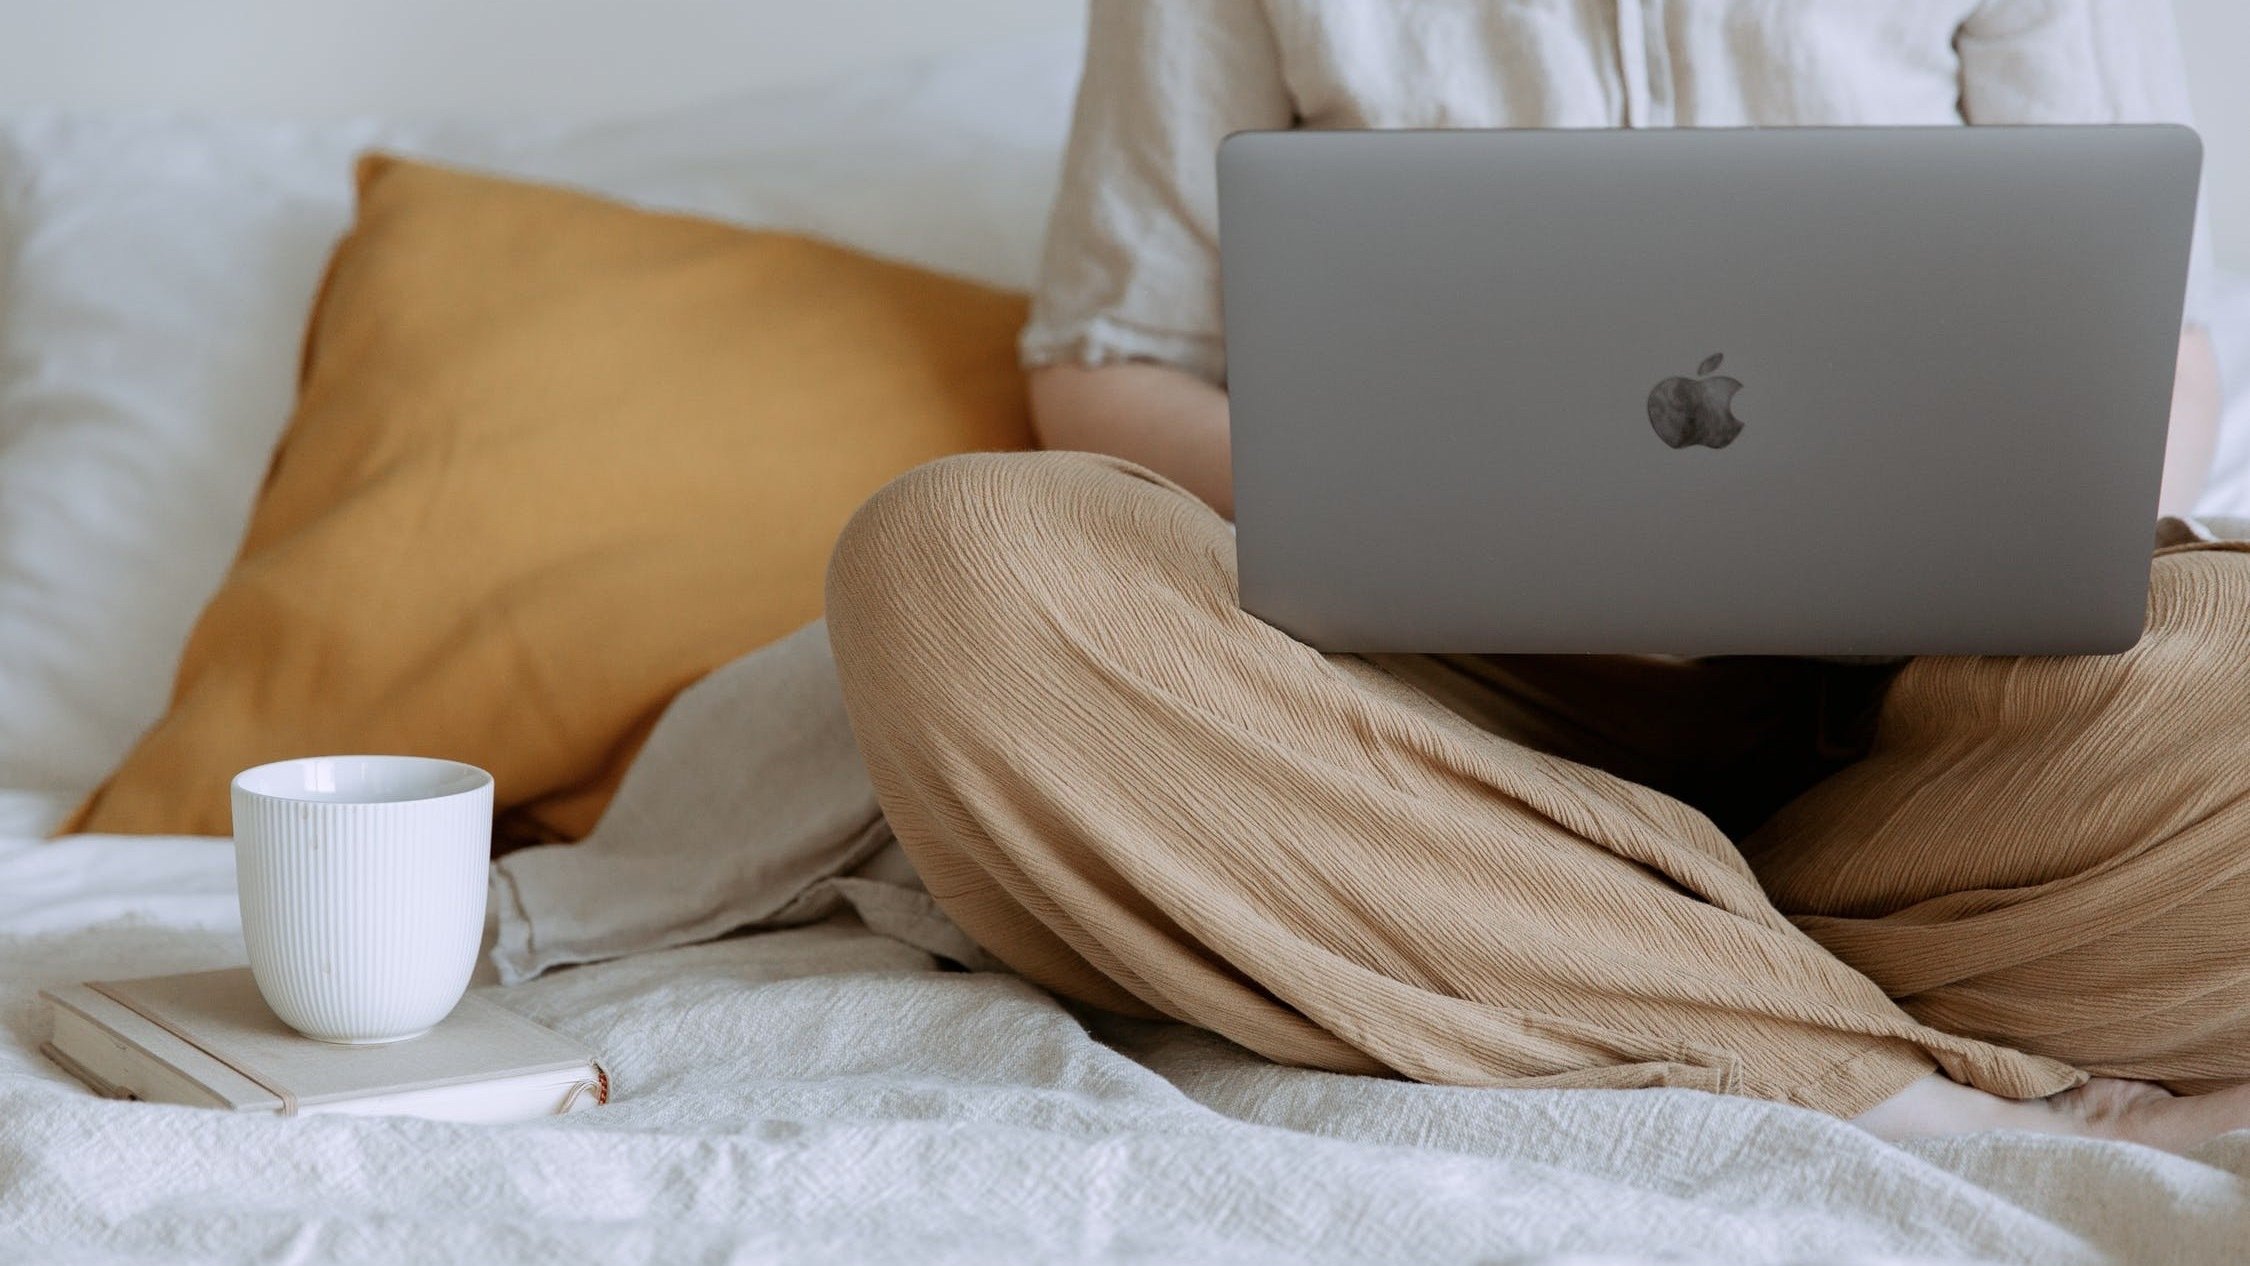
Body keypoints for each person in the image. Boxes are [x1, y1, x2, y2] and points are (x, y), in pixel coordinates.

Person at [826, 0, 2250, 1152]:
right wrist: (1415, 509)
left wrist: (2017, 530)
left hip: (1928, 740)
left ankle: (1503, 934)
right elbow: (1109, 360)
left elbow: (2152, 348)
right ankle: (1870, 1068)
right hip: (1420, 704)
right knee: (954, 566)